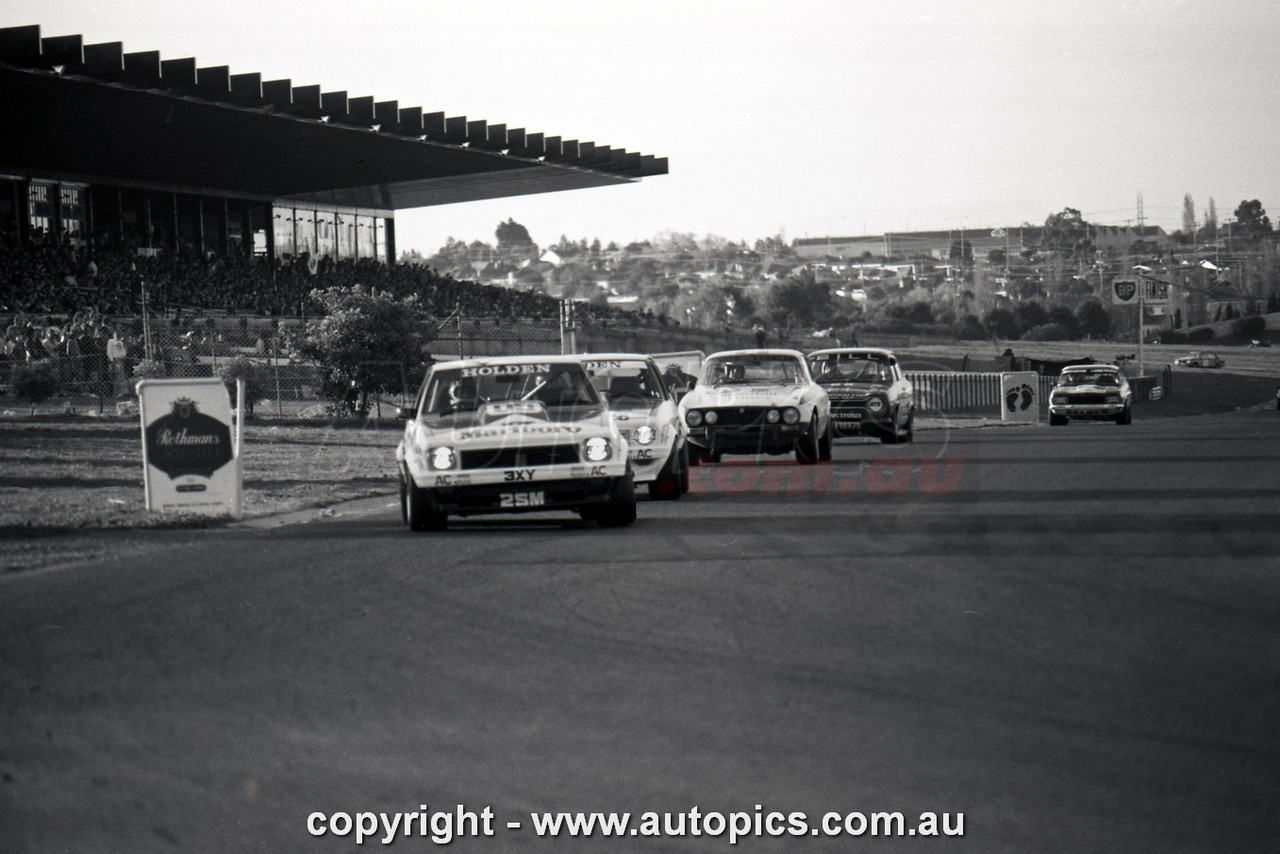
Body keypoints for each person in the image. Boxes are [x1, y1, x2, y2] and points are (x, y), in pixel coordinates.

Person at [106, 329, 128, 397]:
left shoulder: (121, 342)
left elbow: (123, 351)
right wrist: (112, 360)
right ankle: (115, 393)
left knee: (121, 376)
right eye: (116, 333)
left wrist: (124, 356)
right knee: (116, 376)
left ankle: (121, 392)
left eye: (119, 333)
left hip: (121, 360)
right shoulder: (111, 341)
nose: (118, 334)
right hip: (115, 360)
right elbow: (109, 351)